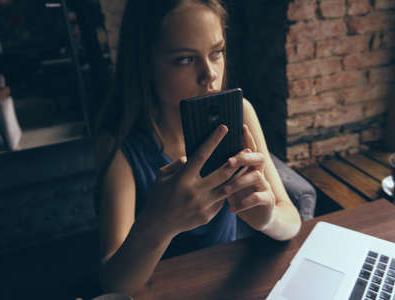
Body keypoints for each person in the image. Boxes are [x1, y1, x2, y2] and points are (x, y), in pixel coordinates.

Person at [94, 0, 301, 295]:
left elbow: (291, 222)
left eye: (217, 53)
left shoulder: (241, 113)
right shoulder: (120, 144)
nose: (210, 74)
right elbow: (113, 284)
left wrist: (266, 217)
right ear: (146, 64)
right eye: (184, 59)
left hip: (228, 285)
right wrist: (159, 224)